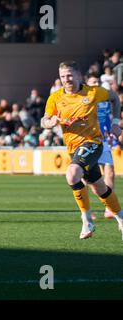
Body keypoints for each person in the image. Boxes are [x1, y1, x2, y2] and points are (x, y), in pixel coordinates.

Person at [41, 61, 123, 240]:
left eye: (69, 75)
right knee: (99, 188)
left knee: (72, 174)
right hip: (73, 148)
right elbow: (44, 120)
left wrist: (116, 123)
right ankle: (121, 217)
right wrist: (50, 123)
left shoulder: (93, 92)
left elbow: (114, 98)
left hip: (93, 143)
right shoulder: (55, 98)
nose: (66, 79)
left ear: (78, 75)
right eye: (63, 76)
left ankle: (86, 220)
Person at [86, 73, 122, 219]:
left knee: (110, 171)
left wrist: (114, 122)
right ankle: (87, 210)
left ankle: (109, 207)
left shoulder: (104, 95)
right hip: (87, 139)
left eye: (97, 81)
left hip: (104, 139)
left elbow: (115, 102)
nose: (95, 83)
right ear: (87, 83)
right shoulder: (82, 97)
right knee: (87, 177)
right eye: (92, 81)